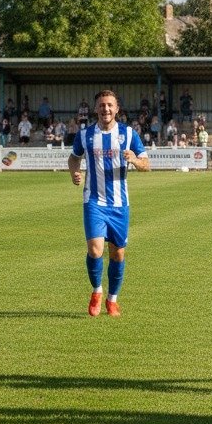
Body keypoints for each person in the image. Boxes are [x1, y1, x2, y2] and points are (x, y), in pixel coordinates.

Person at [67, 90, 150, 316]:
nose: (106, 109)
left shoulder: (129, 133)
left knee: (118, 254)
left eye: (110, 105)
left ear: (117, 108)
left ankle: (112, 300)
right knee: (95, 250)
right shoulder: (84, 135)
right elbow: (74, 158)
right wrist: (75, 173)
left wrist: (134, 159)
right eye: (102, 105)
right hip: (93, 201)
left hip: (119, 204)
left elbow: (146, 164)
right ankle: (96, 291)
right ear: (96, 109)